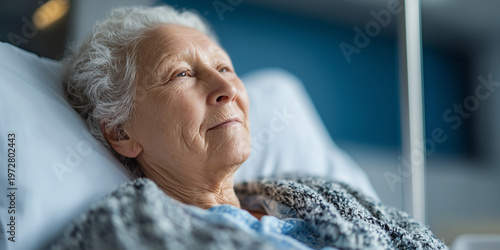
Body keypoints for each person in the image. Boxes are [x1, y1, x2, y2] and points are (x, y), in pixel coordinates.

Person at [61, 5, 446, 249]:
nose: (226, 87)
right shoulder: (123, 231)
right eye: (180, 74)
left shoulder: (321, 192)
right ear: (121, 133)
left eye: (225, 68)